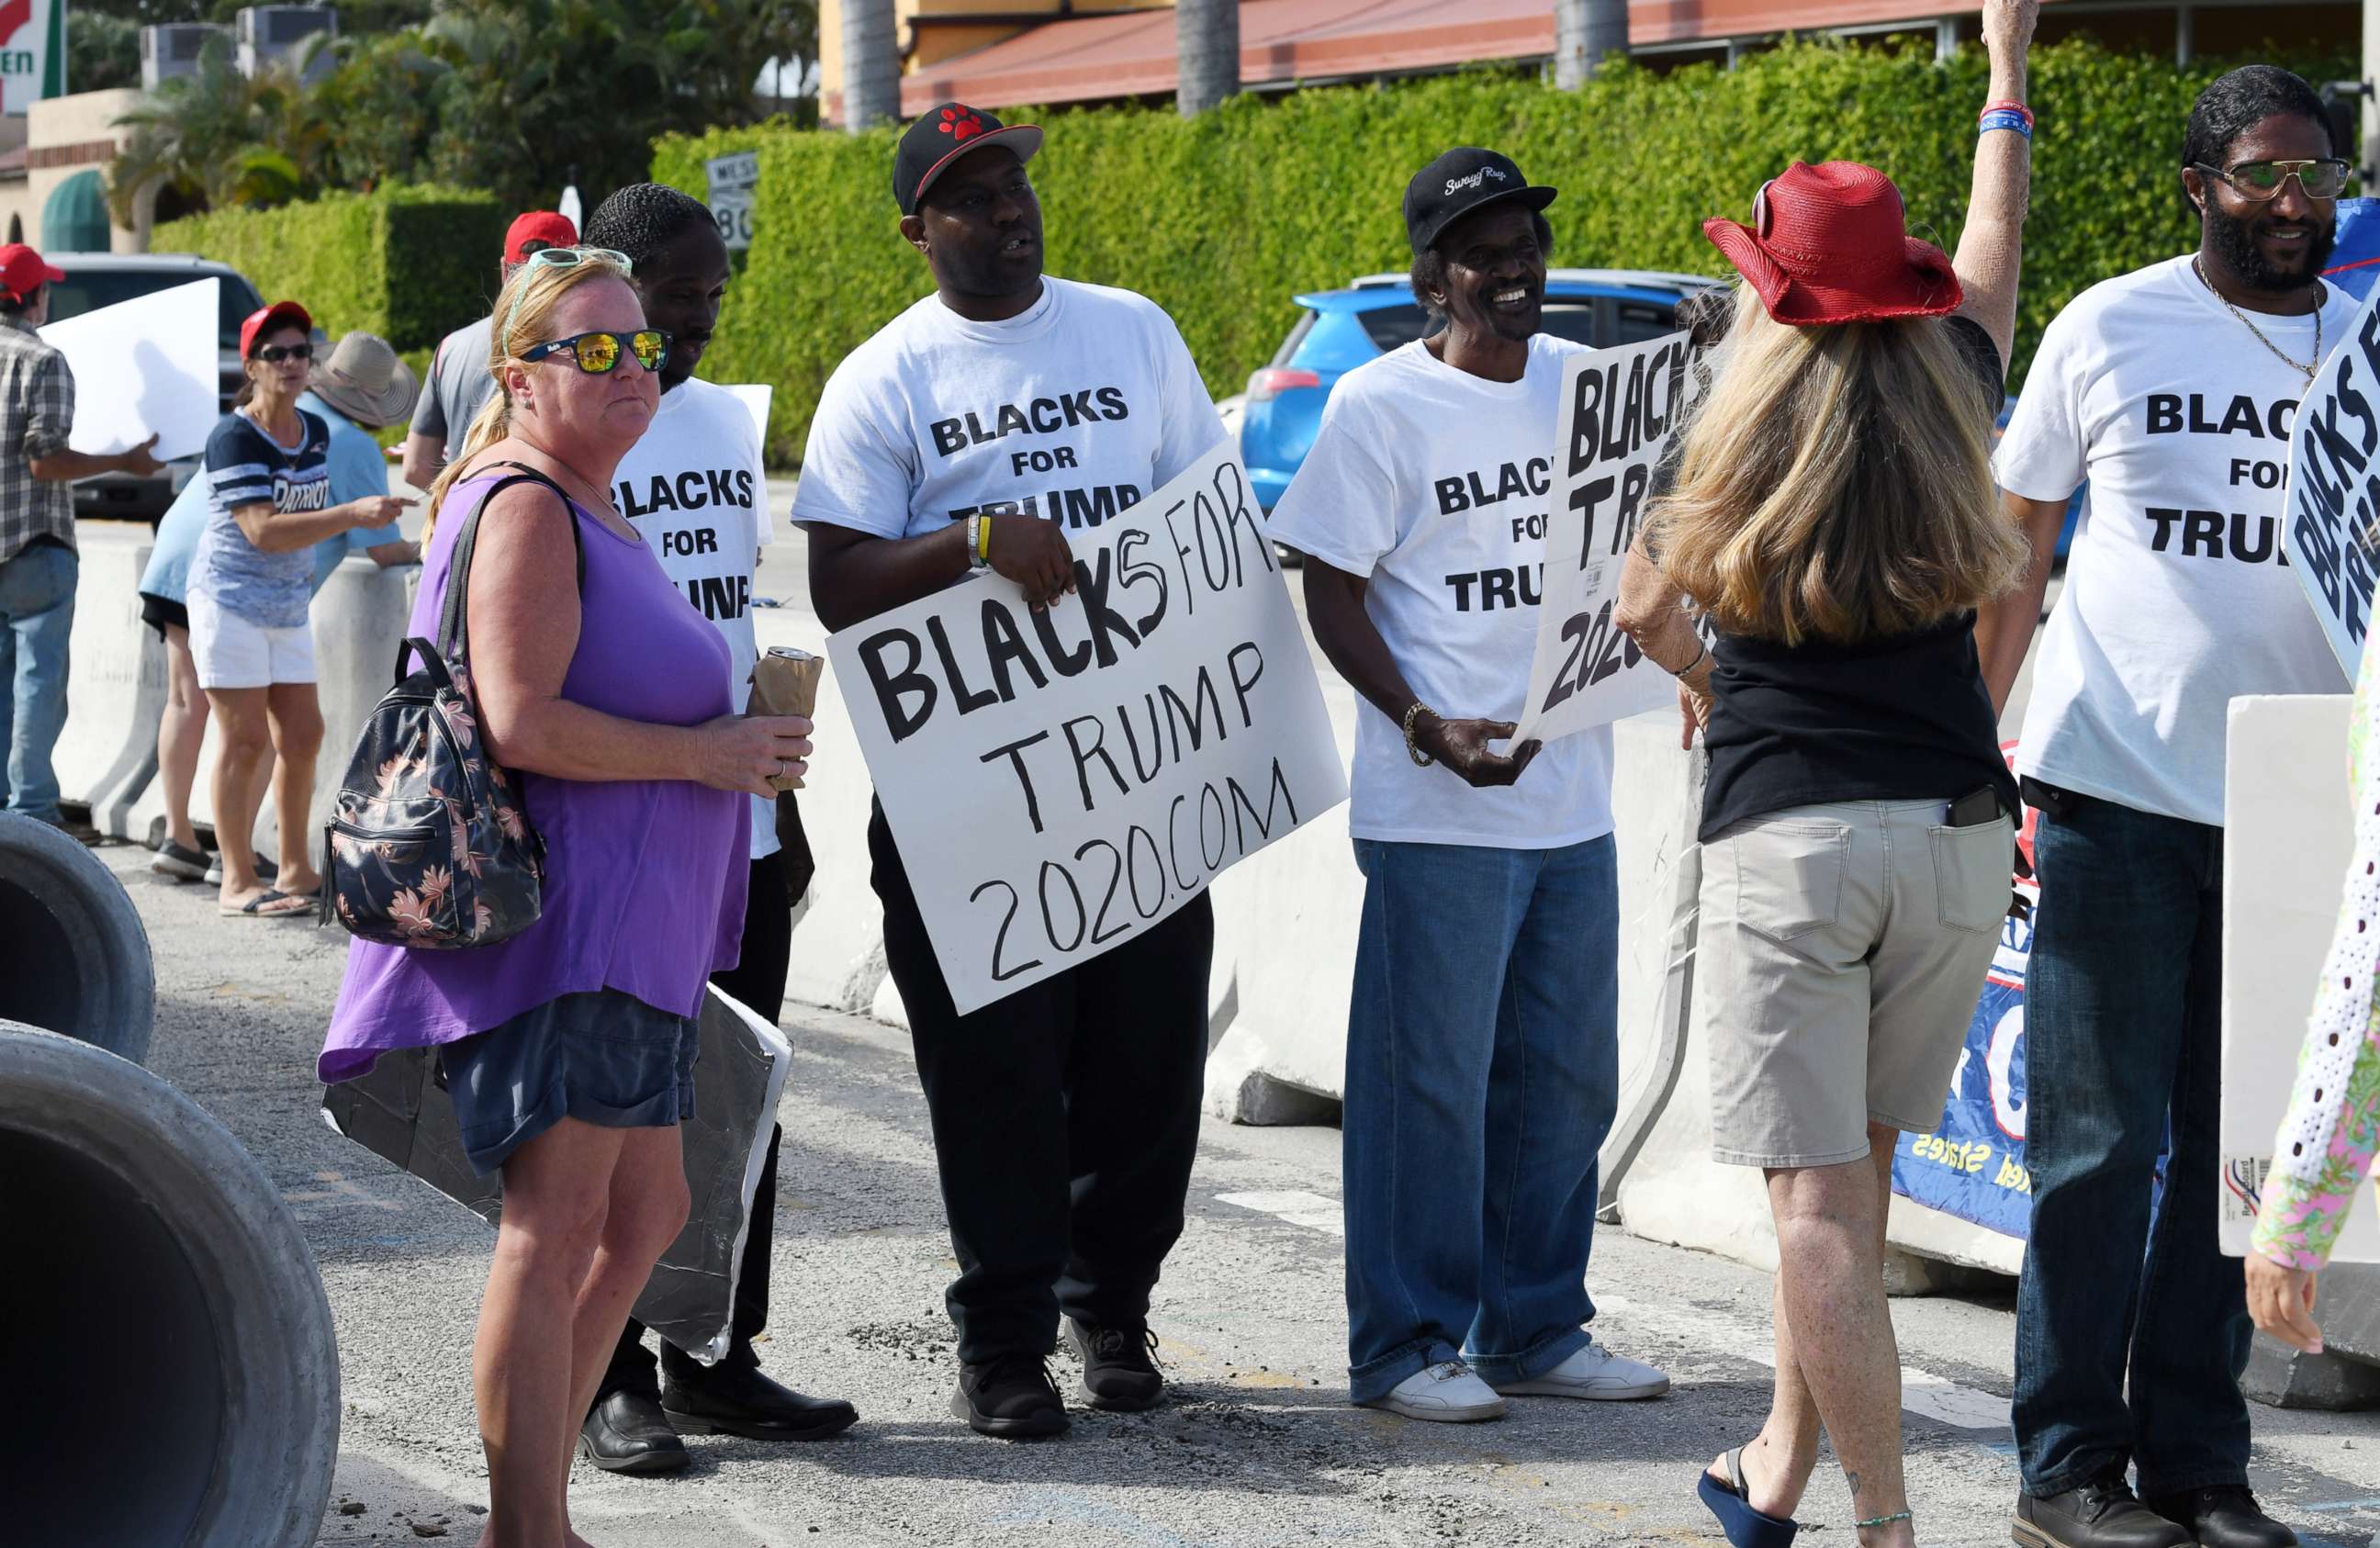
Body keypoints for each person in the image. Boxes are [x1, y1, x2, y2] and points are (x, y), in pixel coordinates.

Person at [1615, 5, 2038, 1542]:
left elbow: (1646, 612)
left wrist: (1711, 687)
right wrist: (2003, 72)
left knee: (1807, 1221)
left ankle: (1883, 1526)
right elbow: (1994, 234)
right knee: (1852, 1201)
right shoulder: (1959, 380)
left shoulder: (1726, 430)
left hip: (1789, 831)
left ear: (1769, 292)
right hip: (1950, 839)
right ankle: (1775, 1473)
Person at [318, 249, 813, 1548]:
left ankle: (530, 1512)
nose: (631, 369)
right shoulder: (529, 499)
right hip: (574, 924)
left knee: (644, 1211)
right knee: (555, 1224)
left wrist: (734, 737)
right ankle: (525, 1526)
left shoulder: (584, 497)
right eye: (592, 350)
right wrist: (708, 754)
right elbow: (521, 716)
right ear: (520, 375)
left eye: (640, 346)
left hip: (633, 928)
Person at [793, 102, 1225, 1439]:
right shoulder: (885, 378)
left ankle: (1114, 1304)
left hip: (1137, 774)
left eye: (1013, 187)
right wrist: (975, 536)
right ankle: (1004, 1341)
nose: (1008, 212)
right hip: (968, 802)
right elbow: (838, 584)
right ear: (918, 228)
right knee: (994, 1079)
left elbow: (1206, 518)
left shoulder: (1134, 330)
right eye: (969, 198)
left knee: (1146, 1067)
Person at [1976, 63, 2351, 1548]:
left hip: (2299, 809)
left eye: (2315, 173)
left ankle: (2202, 1460)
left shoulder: (2371, 353)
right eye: (2260, 174)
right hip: (2112, 792)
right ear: (2195, 189)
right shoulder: (2107, 323)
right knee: (2095, 1141)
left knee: (2236, 1156)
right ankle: (2067, 1466)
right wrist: (1970, 739)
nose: (2290, 202)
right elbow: (2015, 548)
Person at [1263, 148, 1668, 1427]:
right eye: (1485, 255)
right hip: (1440, 805)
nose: (1515, 272)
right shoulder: (1381, 407)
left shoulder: (1589, 391)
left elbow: (1645, 551)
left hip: (1574, 799)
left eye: (1526, 248)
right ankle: (1403, 1341)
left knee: (1566, 1078)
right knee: (1426, 1088)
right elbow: (1327, 584)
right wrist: (1423, 721)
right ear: (1435, 277)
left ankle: (1535, 1322)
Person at [569, 182, 858, 1472]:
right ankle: (607, 1371)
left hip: (735, 819)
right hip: (619, 829)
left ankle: (714, 1352)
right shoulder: (572, 419)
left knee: (737, 1099)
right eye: (678, 293)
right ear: (614, 283)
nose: (699, 319)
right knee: (615, 1106)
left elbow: (728, 613)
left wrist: (779, 809)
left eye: (711, 295)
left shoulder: (727, 428)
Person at [138, 329, 417, 883]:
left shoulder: (268, 418)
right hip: (240, 584)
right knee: (259, 732)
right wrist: (427, 546)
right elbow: (383, 547)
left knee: (186, 702)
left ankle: (181, 836)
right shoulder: (347, 443)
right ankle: (233, 859)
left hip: (174, 557)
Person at [0, 241, 161, 835]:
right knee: (38, 688)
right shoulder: (43, 362)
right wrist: (126, 461)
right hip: (34, 546)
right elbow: (44, 462)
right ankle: (32, 816)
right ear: (34, 299)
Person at [401, 209, 578, 492]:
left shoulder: (451, 347)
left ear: (505, 268)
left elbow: (416, 465)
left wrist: (463, 505)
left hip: (463, 522)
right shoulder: (574, 347)